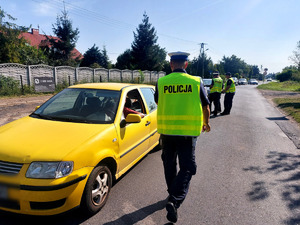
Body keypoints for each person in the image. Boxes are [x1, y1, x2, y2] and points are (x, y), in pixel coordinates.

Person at [154, 51, 210, 223]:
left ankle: (172, 192)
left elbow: (158, 101)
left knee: (169, 164)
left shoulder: (161, 82)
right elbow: (206, 106)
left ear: (171, 64)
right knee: (188, 168)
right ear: (186, 64)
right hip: (187, 134)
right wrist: (206, 123)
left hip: (167, 132)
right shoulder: (195, 81)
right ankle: (174, 200)